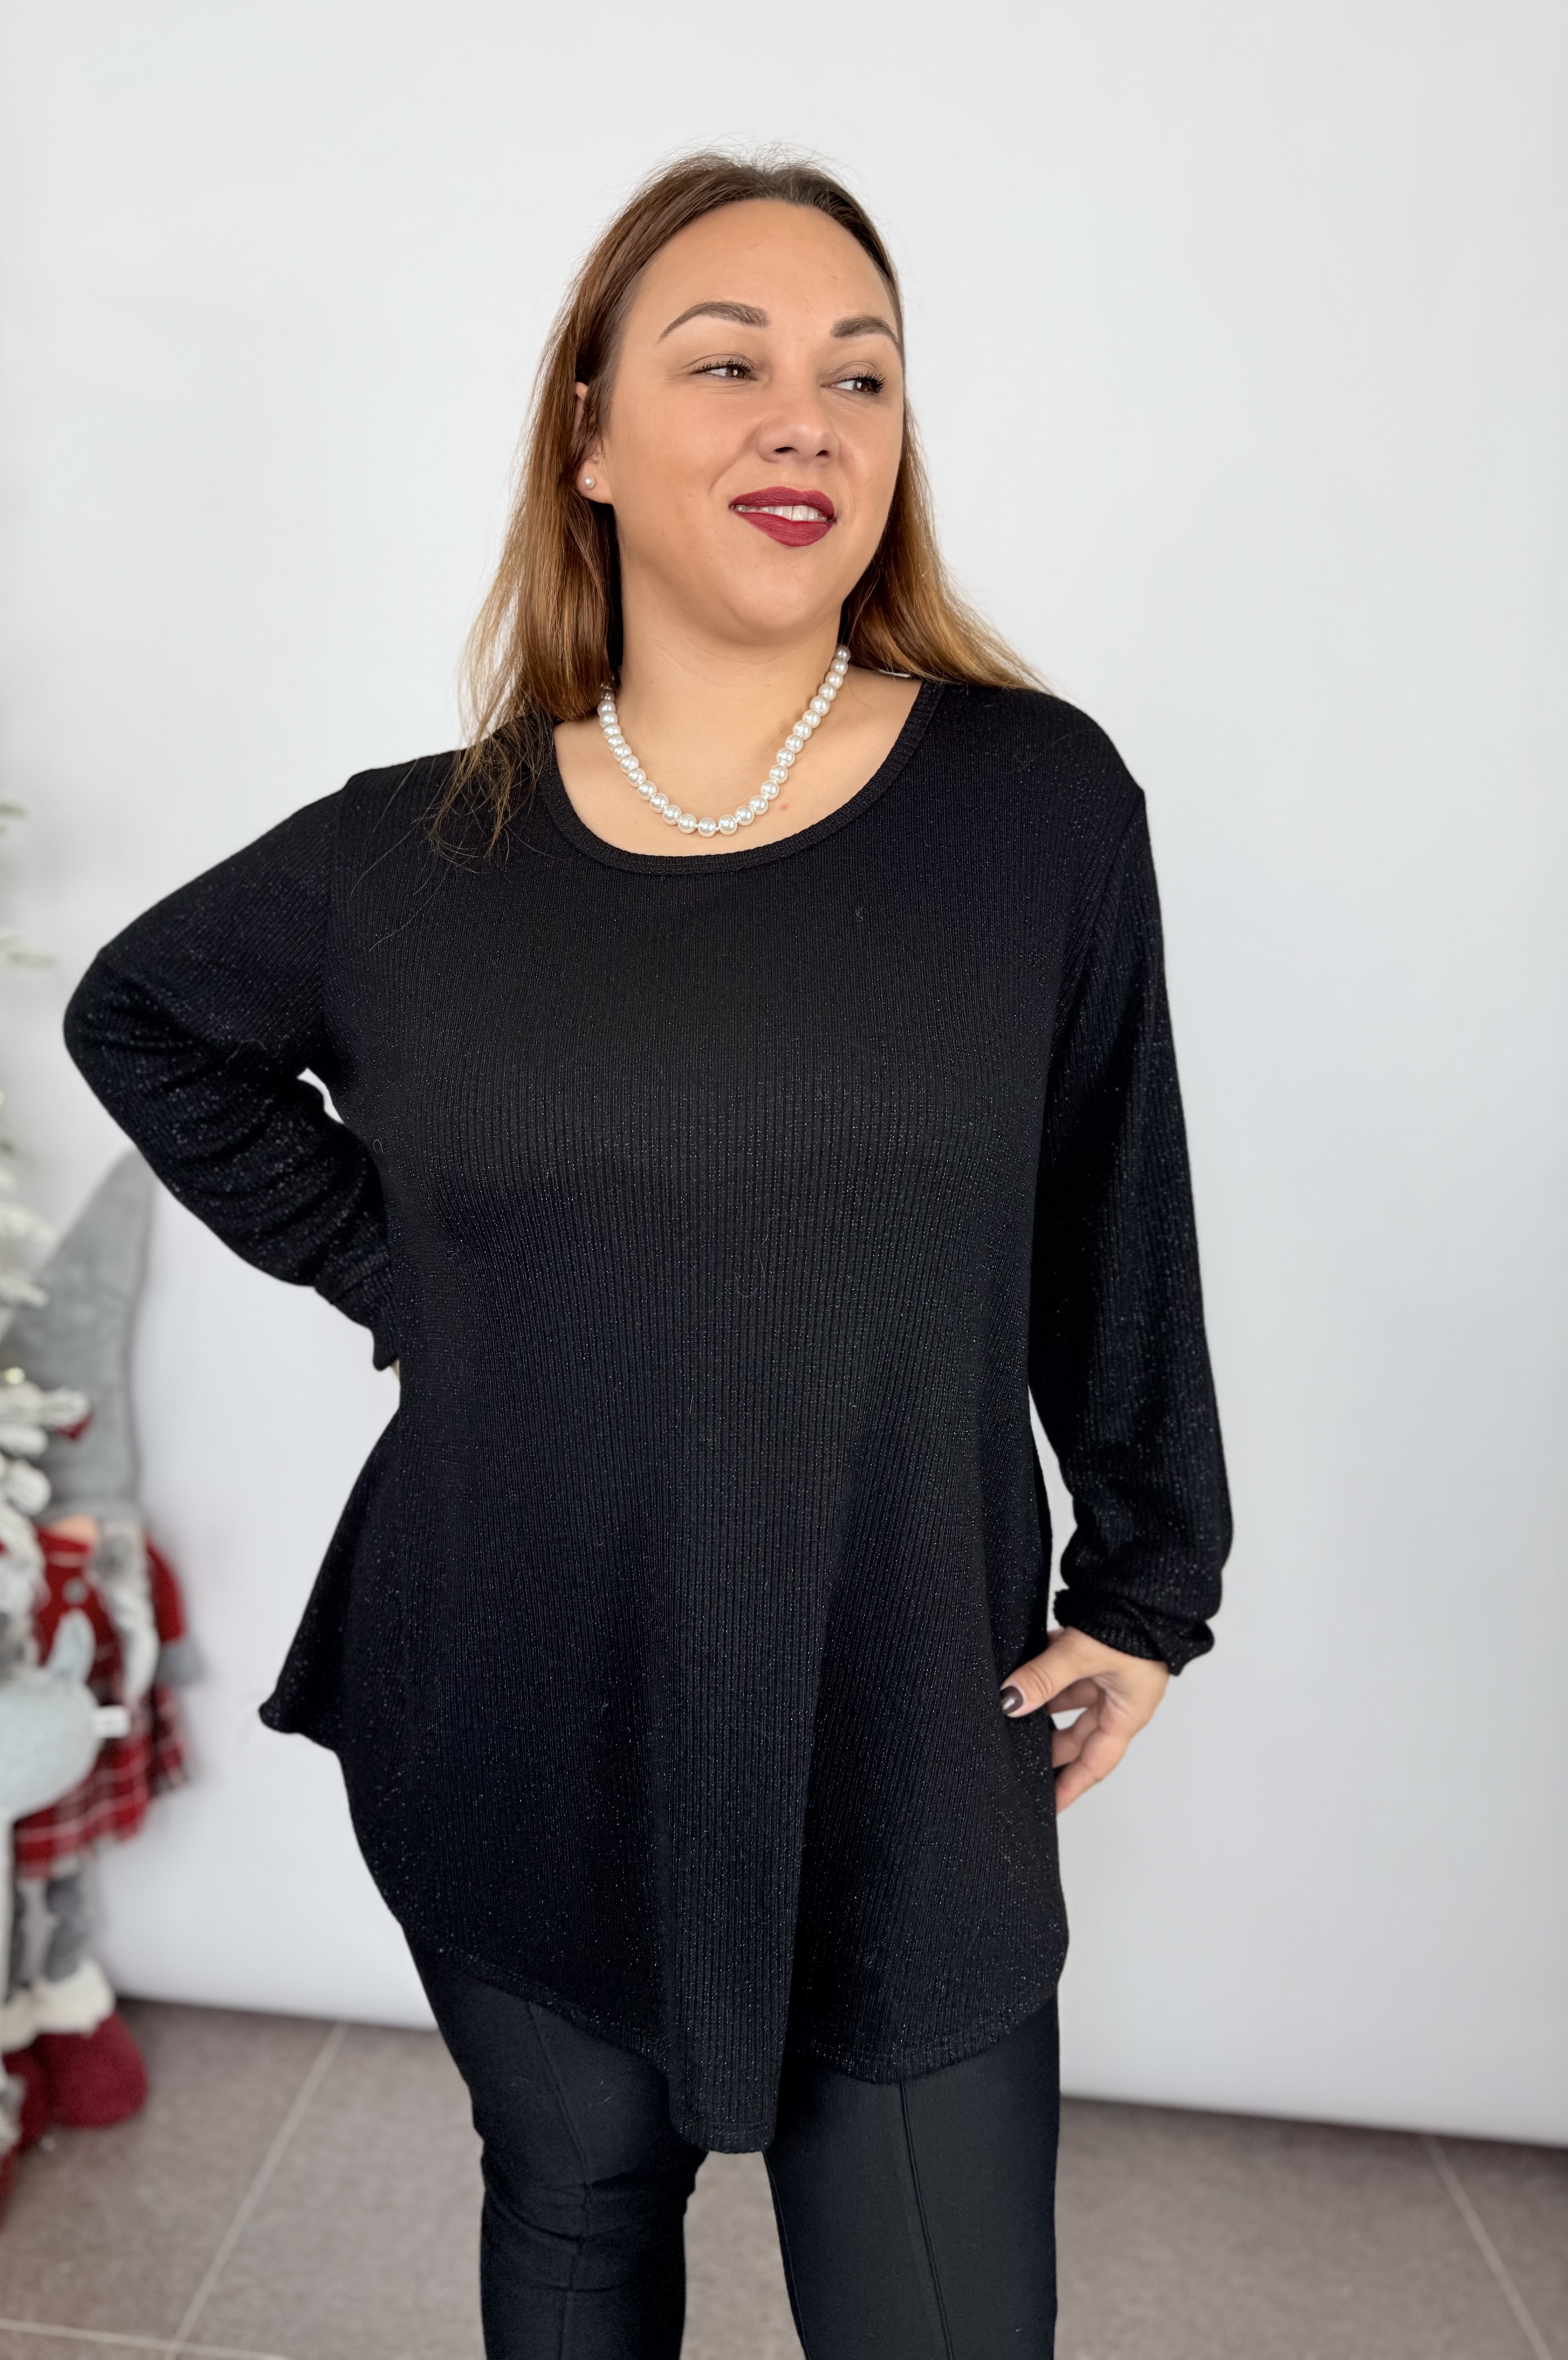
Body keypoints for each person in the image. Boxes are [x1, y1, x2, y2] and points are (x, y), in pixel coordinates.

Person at [64, 150, 1230, 2360]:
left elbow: (1115, 1196)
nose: (808, 419)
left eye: (861, 375)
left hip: (901, 1707)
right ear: (588, 438)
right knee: (576, 2221)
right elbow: (145, 1021)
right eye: (728, 363)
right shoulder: (419, 854)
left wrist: (1151, 1576)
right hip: (517, 1689)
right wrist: (419, 1280)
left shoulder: (1033, 803)